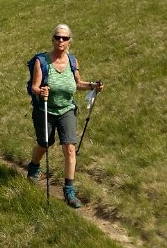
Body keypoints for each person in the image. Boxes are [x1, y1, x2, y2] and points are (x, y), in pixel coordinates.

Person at [26, 23, 104, 209]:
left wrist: (93, 86)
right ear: (52, 39)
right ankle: (34, 167)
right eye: (58, 37)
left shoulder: (72, 61)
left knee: (69, 148)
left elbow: (77, 83)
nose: (61, 41)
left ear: (69, 41)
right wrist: (41, 91)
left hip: (67, 109)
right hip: (45, 109)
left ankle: (69, 190)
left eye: (65, 38)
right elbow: (34, 87)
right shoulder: (42, 61)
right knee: (45, 143)